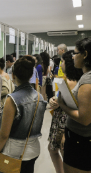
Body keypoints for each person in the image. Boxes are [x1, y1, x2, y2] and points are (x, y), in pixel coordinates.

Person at [0, 56, 47, 173]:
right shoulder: (39, 97)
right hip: (33, 149)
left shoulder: (12, 99)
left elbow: (4, 134)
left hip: (14, 152)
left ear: (13, 75)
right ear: (31, 76)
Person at [58, 38, 91, 173]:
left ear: (85, 55)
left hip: (80, 140)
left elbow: (84, 119)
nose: (72, 57)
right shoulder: (85, 77)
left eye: (75, 53)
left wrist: (62, 105)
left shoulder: (87, 81)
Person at [48, 51, 83, 173]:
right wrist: (54, 99)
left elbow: (69, 103)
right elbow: (61, 99)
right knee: (56, 150)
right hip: (61, 118)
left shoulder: (70, 82)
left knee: (62, 151)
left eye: (62, 61)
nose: (61, 63)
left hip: (64, 120)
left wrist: (57, 102)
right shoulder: (70, 80)